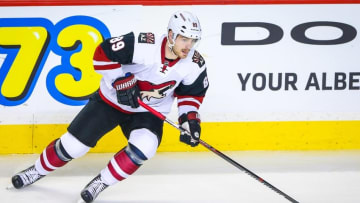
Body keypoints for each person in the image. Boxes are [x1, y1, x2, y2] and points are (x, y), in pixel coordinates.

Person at [10, 10, 209, 203]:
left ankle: (101, 182)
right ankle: (37, 170)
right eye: (185, 39)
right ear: (172, 35)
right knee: (73, 146)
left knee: (145, 147)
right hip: (110, 102)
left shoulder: (194, 63)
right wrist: (120, 80)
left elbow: (190, 95)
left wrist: (189, 121)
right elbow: (101, 53)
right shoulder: (143, 44)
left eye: (193, 40)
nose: (189, 46)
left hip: (147, 112)